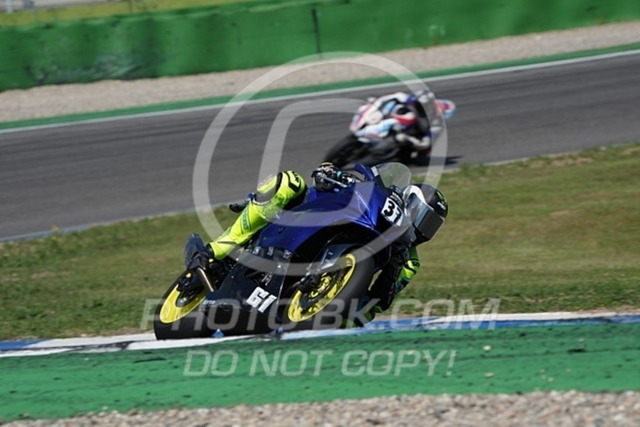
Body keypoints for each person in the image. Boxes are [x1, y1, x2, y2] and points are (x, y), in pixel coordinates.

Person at [193, 162, 448, 323]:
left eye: (432, 226)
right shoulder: (376, 199)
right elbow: (328, 174)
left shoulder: (409, 261)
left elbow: (379, 302)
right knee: (290, 182)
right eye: (424, 219)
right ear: (409, 202)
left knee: (356, 315)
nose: (424, 230)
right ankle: (220, 247)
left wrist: (349, 318)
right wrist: (332, 173)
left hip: (331, 289)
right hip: (308, 215)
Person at [355, 91, 434, 165]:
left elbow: (425, 141)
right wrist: (375, 104)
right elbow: (384, 99)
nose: (420, 107)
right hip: (388, 121)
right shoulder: (404, 98)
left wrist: (411, 140)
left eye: (424, 105)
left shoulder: (425, 120)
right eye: (418, 104)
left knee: (391, 145)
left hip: (404, 136)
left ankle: (370, 160)